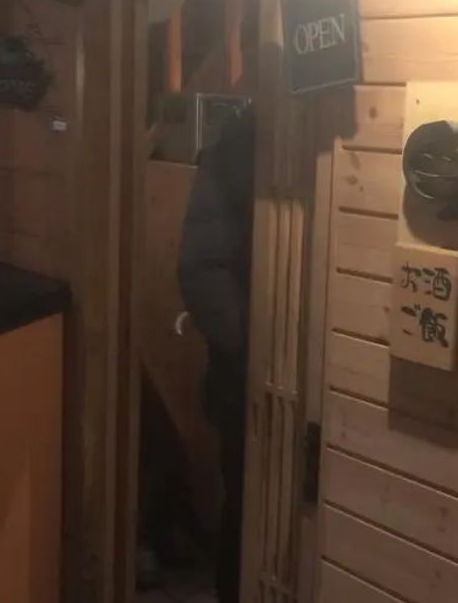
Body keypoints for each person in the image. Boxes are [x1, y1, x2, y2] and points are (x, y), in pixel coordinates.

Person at [178, 105, 256, 603]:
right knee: (245, 503)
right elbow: (201, 267)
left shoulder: (299, 135)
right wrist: (249, 348)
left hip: (277, 373)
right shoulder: (237, 144)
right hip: (244, 375)